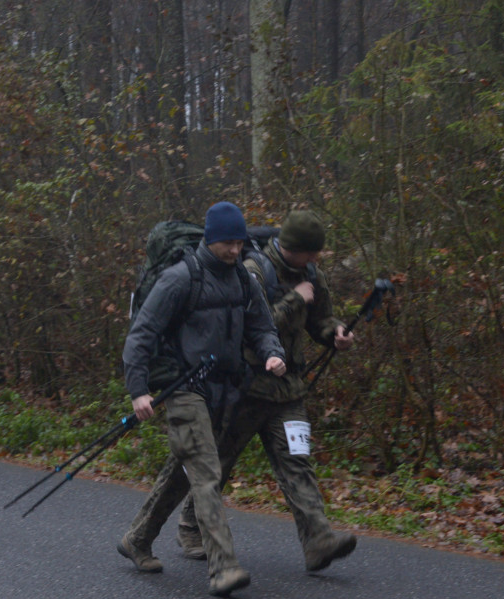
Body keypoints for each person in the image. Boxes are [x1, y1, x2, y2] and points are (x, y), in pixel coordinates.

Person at [136, 209, 358, 574]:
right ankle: (181, 530)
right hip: (241, 389)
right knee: (210, 467)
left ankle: (318, 540)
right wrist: (295, 300)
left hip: (287, 390)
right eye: (311, 253)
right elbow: (251, 324)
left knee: (296, 461)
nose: (316, 260)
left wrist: (335, 333)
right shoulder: (254, 268)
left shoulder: (312, 274)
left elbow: (321, 320)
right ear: (292, 247)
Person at [118, 201, 286, 598]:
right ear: (211, 240)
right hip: (183, 387)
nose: (234, 250)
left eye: (239, 242)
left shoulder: (244, 280)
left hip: (224, 388)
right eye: (227, 243)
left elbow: (261, 325)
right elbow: (141, 336)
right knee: (207, 473)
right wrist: (139, 389)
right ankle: (223, 567)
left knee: (184, 469)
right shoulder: (180, 279)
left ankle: (137, 538)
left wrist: (271, 352)